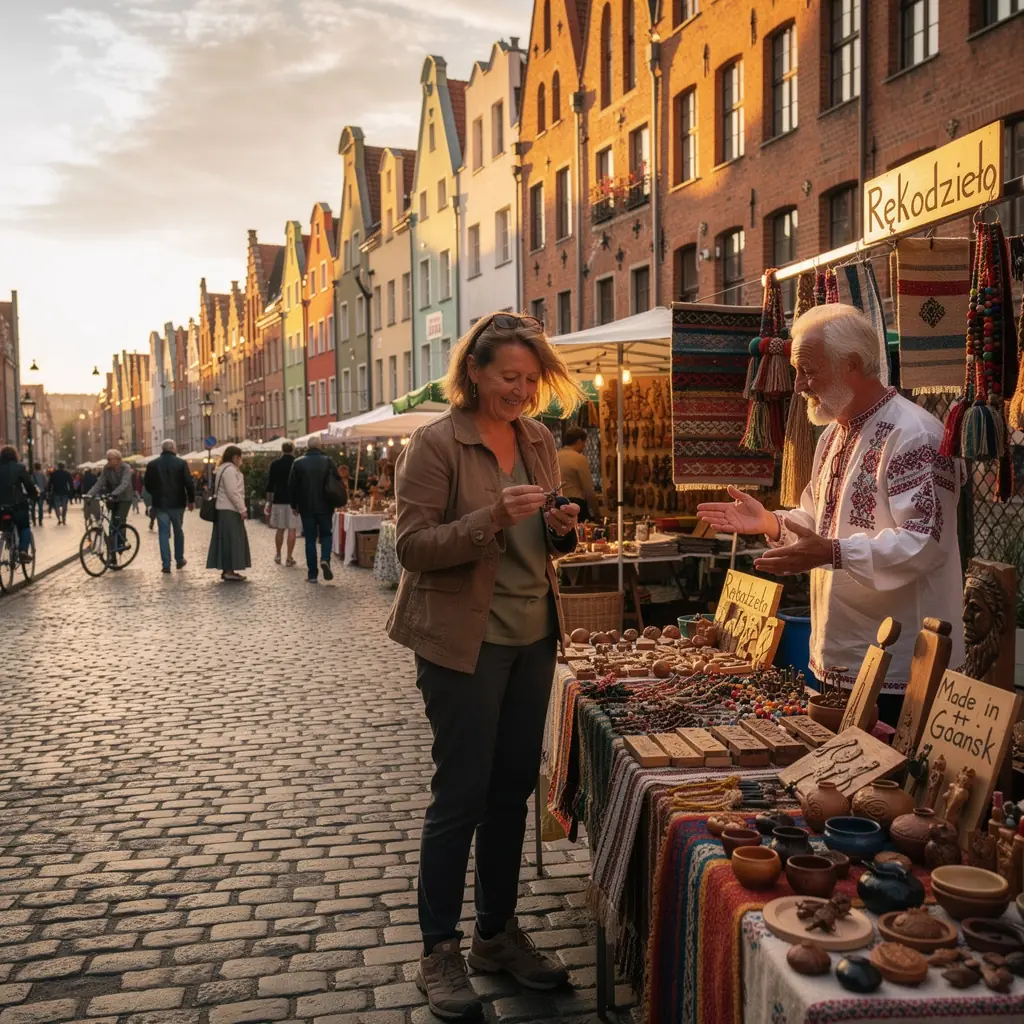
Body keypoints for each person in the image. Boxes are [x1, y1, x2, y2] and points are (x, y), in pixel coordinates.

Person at [386, 312, 583, 1020]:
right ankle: (438, 949)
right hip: (461, 644)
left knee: (509, 796)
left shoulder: (538, 438)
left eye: (532, 380)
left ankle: (496, 935)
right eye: (510, 377)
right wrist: (491, 519)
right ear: (474, 371)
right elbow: (411, 547)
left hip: (533, 637)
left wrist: (561, 526)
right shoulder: (435, 444)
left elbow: (544, 536)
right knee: (460, 796)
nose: (523, 391)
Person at [697, 304, 964, 723]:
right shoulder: (833, 437)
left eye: (808, 371)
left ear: (852, 365)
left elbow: (925, 543)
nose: (799, 385)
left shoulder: (915, 434)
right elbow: (818, 522)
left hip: (903, 665)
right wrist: (771, 523)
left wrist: (833, 553)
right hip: (836, 656)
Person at [288, 435, 344, 584]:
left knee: (310, 540)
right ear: (320, 447)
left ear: (307, 447)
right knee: (326, 535)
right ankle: (325, 559)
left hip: (306, 507)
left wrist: (294, 505)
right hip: (325, 506)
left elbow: (292, 487)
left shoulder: (298, 463)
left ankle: (312, 574)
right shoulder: (328, 461)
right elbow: (337, 482)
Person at [144, 439, 195, 574]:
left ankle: (166, 564)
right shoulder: (181, 463)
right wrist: (191, 500)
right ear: (173, 448)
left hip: (160, 503)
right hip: (177, 503)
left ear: (162, 449)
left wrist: (155, 494)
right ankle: (179, 559)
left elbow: (147, 484)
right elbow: (188, 483)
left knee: (163, 533)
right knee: (178, 531)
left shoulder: (152, 464)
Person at [206, 445, 250, 582]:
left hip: (224, 509)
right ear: (235, 457)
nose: (241, 460)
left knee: (226, 540)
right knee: (232, 540)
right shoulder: (230, 470)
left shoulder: (222, 469)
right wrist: (242, 509)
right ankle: (229, 570)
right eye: (240, 457)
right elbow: (233, 492)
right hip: (230, 510)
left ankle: (227, 569)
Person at [86, 449, 135, 546]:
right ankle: (112, 553)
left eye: (110, 459)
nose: (108, 461)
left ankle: (122, 542)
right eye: (108, 459)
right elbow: (100, 483)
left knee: (120, 519)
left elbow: (124, 483)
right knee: (112, 522)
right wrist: (89, 494)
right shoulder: (107, 468)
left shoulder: (126, 467)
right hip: (113, 498)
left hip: (125, 497)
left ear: (118, 459)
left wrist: (114, 493)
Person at [0, 446, 37, 562]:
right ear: (15, 455)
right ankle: (22, 551)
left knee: (4, 529)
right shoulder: (19, 468)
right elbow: (29, 485)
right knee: (25, 526)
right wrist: (34, 495)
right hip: (17, 506)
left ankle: (7, 541)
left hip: (1, 507)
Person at [265, 442, 299, 566]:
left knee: (280, 529)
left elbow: (269, 484)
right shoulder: (297, 463)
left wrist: (268, 502)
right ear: (292, 450)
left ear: (282, 450)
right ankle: (289, 557)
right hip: (293, 501)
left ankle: (278, 555)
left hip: (278, 500)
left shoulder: (274, 464)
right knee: (292, 529)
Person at [556, 426, 600, 522]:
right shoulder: (579, 459)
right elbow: (588, 489)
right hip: (576, 504)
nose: (584, 446)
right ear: (579, 441)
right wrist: (596, 513)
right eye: (584, 443)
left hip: (557, 503)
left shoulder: (555, 456)